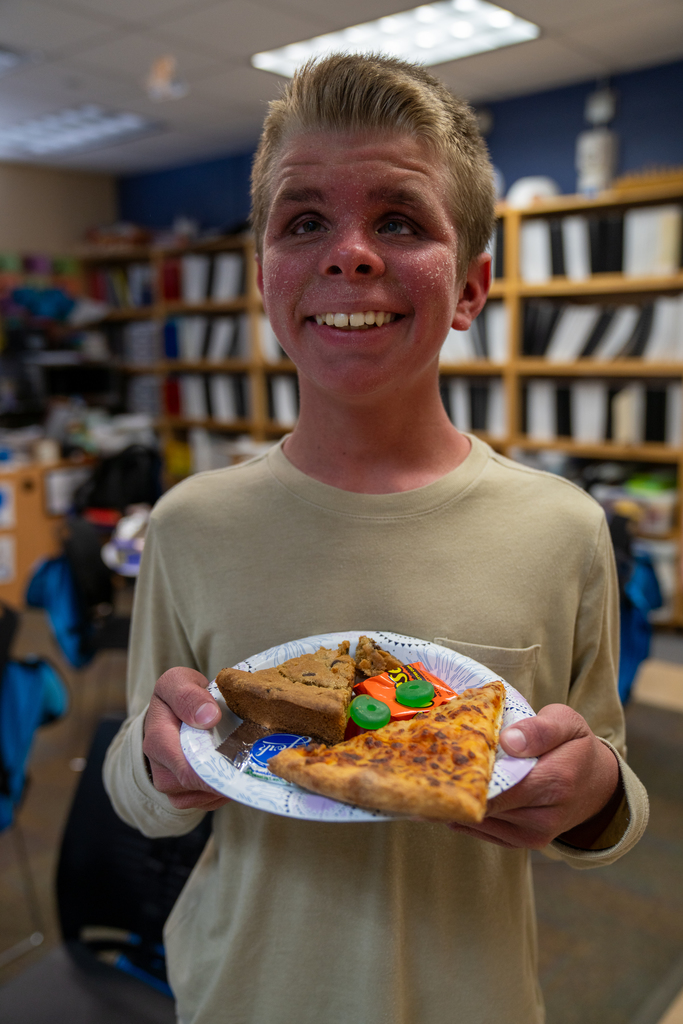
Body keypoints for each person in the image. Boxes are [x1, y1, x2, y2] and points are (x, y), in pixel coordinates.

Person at [104, 54, 648, 1024]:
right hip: (242, 991)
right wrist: (157, 763)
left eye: (398, 220)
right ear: (265, 277)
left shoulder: (559, 527)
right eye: (303, 221)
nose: (349, 253)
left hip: (470, 997)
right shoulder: (190, 524)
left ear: (472, 286)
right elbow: (138, 778)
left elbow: (600, 773)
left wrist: (596, 789)